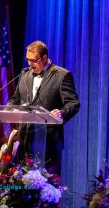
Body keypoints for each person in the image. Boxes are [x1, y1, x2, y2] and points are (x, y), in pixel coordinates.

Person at [7, 40, 80, 175]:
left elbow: (73, 103)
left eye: (33, 60)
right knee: (21, 187)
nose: (29, 64)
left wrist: (62, 113)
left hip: (49, 141)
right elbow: (16, 99)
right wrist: (8, 109)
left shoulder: (62, 75)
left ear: (44, 58)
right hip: (25, 140)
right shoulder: (25, 74)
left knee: (46, 188)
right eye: (27, 59)